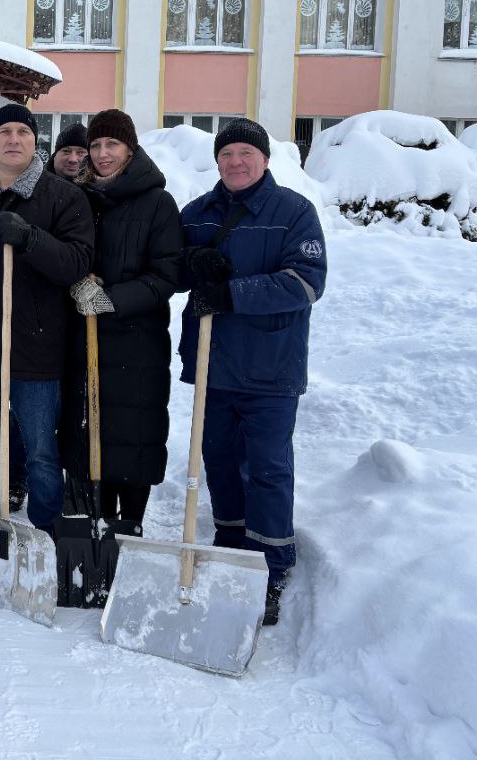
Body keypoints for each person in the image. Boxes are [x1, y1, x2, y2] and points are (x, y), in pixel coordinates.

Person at [178, 117, 327, 626]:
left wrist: (231, 293)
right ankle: (231, 542)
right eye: (226, 154)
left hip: (270, 367)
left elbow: (306, 282)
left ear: (264, 159)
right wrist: (192, 262)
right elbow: (170, 265)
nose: (236, 162)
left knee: (267, 468)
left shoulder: (293, 212)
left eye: (246, 153)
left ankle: (269, 563)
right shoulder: (199, 212)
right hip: (214, 363)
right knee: (219, 460)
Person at [0, 103, 94, 533]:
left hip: (36, 347)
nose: (14, 139)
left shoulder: (63, 197)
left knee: (41, 452)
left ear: (36, 141)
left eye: (23, 132)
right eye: (4, 132)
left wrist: (31, 239)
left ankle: (46, 528)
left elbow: (77, 262)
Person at [61, 110, 182, 534]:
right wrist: (77, 282)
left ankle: (130, 525)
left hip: (136, 344)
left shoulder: (157, 203)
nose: (102, 153)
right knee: (87, 432)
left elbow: (167, 275)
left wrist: (110, 299)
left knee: (132, 434)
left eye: (112, 144)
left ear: (130, 149)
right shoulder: (79, 198)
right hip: (83, 341)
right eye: (95, 145)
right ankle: (94, 523)